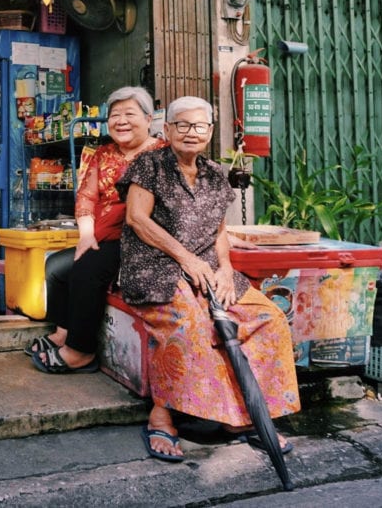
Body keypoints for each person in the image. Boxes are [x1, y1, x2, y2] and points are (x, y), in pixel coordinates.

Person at [116, 95, 300, 462]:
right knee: (191, 324)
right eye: (181, 124)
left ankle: (248, 417)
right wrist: (186, 259)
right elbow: (137, 219)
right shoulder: (148, 164)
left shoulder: (216, 175)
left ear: (210, 132)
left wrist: (227, 270)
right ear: (166, 129)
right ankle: (163, 415)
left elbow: (219, 232)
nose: (190, 132)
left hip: (205, 267)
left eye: (199, 126)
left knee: (268, 319)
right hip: (156, 266)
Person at [28, 86, 167, 374]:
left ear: (149, 118)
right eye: (115, 115)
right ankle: (64, 331)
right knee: (55, 265)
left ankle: (81, 351)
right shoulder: (103, 153)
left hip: (137, 239)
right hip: (101, 236)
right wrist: (87, 235)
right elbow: (87, 197)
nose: (121, 121)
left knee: (86, 268)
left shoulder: (162, 155)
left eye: (130, 114)